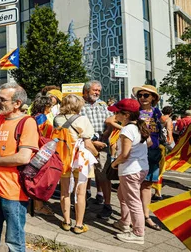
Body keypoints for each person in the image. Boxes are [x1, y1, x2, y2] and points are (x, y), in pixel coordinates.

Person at [0, 83, 39, 252]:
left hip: (14, 192)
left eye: (2, 99)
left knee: (14, 240)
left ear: (17, 104)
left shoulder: (27, 123)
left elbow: (23, 157)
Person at [55, 95, 99, 234]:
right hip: (80, 159)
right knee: (80, 193)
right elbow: (87, 143)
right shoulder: (82, 119)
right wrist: (96, 154)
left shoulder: (57, 119)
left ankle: (66, 221)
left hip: (63, 157)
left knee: (64, 191)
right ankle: (79, 225)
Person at [109, 99, 151, 244]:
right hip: (141, 167)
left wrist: (114, 163)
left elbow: (125, 154)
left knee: (133, 201)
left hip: (130, 170)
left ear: (126, 115)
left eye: (117, 112)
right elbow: (149, 142)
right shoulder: (140, 127)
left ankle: (138, 234)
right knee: (122, 195)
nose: (115, 115)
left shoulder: (127, 129)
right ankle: (124, 223)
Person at [79, 80, 114, 219]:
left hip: (103, 145)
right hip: (84, 143)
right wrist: (92, 142)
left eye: (99, 91)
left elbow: (111, 121)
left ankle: (107, 204)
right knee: (84, 173)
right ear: (86, 91)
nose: (97, 93)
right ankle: (83, 200)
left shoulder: (103, 105)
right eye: (95, 90)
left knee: (104, 175)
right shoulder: (79, 105)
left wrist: (106, 134)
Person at [132, 85, 164, 231]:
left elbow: (164, 123)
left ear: (153, 98)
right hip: (138, 153)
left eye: (146, 95)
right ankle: (134, 217)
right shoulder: (135, 112)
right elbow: (113, 121)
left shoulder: (157, 112)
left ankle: (146, 216)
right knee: (135, 185)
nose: (142, 98)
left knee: (148, 185)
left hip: (153, 153)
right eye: (140, 95)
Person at [29, 96, 55, 216]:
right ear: (45, 106)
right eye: (50, 106)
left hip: (35, 151)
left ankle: (35, 204)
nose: (51, 109)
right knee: (39, 180)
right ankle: (38, 206)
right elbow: (43, 136)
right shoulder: (42, 118)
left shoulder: (33, 117)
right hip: (42, 152)